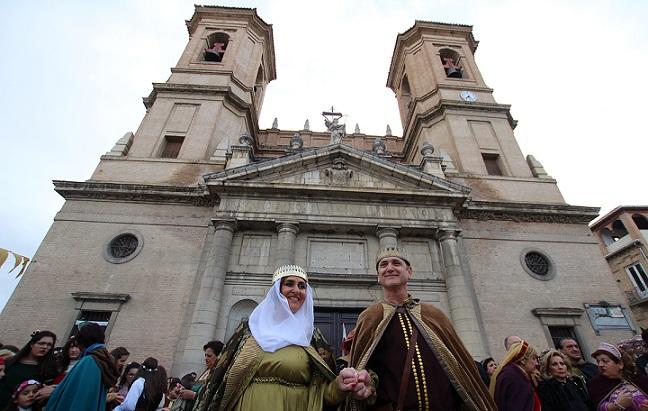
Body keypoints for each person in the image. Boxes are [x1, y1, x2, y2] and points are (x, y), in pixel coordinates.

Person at [193, 264, 370, 411]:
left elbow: (322, 393)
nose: (296, 290)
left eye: (302, 286)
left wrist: (340, 385)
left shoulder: (312, 337)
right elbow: (219, 382)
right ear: (276, 290)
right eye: (289, 284)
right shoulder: (250, 330)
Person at [349, 247, 496, 411]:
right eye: (383, 265)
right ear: (378, 277)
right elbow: (363, 366)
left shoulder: (434, 315)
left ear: (409, 272)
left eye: (396, 263)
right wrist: (368, 383)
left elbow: (460, 367)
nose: (389, 268)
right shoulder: (370, 316)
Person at [46, 322, 121, 411]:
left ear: (82, 340)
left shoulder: (89, 361)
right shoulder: (100, 359)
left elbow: (80, 395)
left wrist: (54, 392)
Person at [0, 331, 58, 409]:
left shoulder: (49, 369)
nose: (45, 347)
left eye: (49, 345)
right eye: (41, 343)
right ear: (32, 344)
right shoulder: (10, 361)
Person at [589, 342, 648, 411]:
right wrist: (616, 405)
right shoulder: (596, 383)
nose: (600, 365)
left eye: (605, 361)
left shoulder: (639, 378)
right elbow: (599, 407)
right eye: (598, 361)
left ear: (620, 364)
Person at [490, 340, 541, 411]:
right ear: (523, 360)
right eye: (534, 358)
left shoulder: (512, 373)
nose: (537, 363)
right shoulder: (515, 378)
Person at [173, 340, 223, 410]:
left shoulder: (219, 375)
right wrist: (183, 389)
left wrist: (194, 396)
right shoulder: (206, 371)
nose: (205, 358)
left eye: (209, 356)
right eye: (205, 355)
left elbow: (216, 399)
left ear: (219, 356)